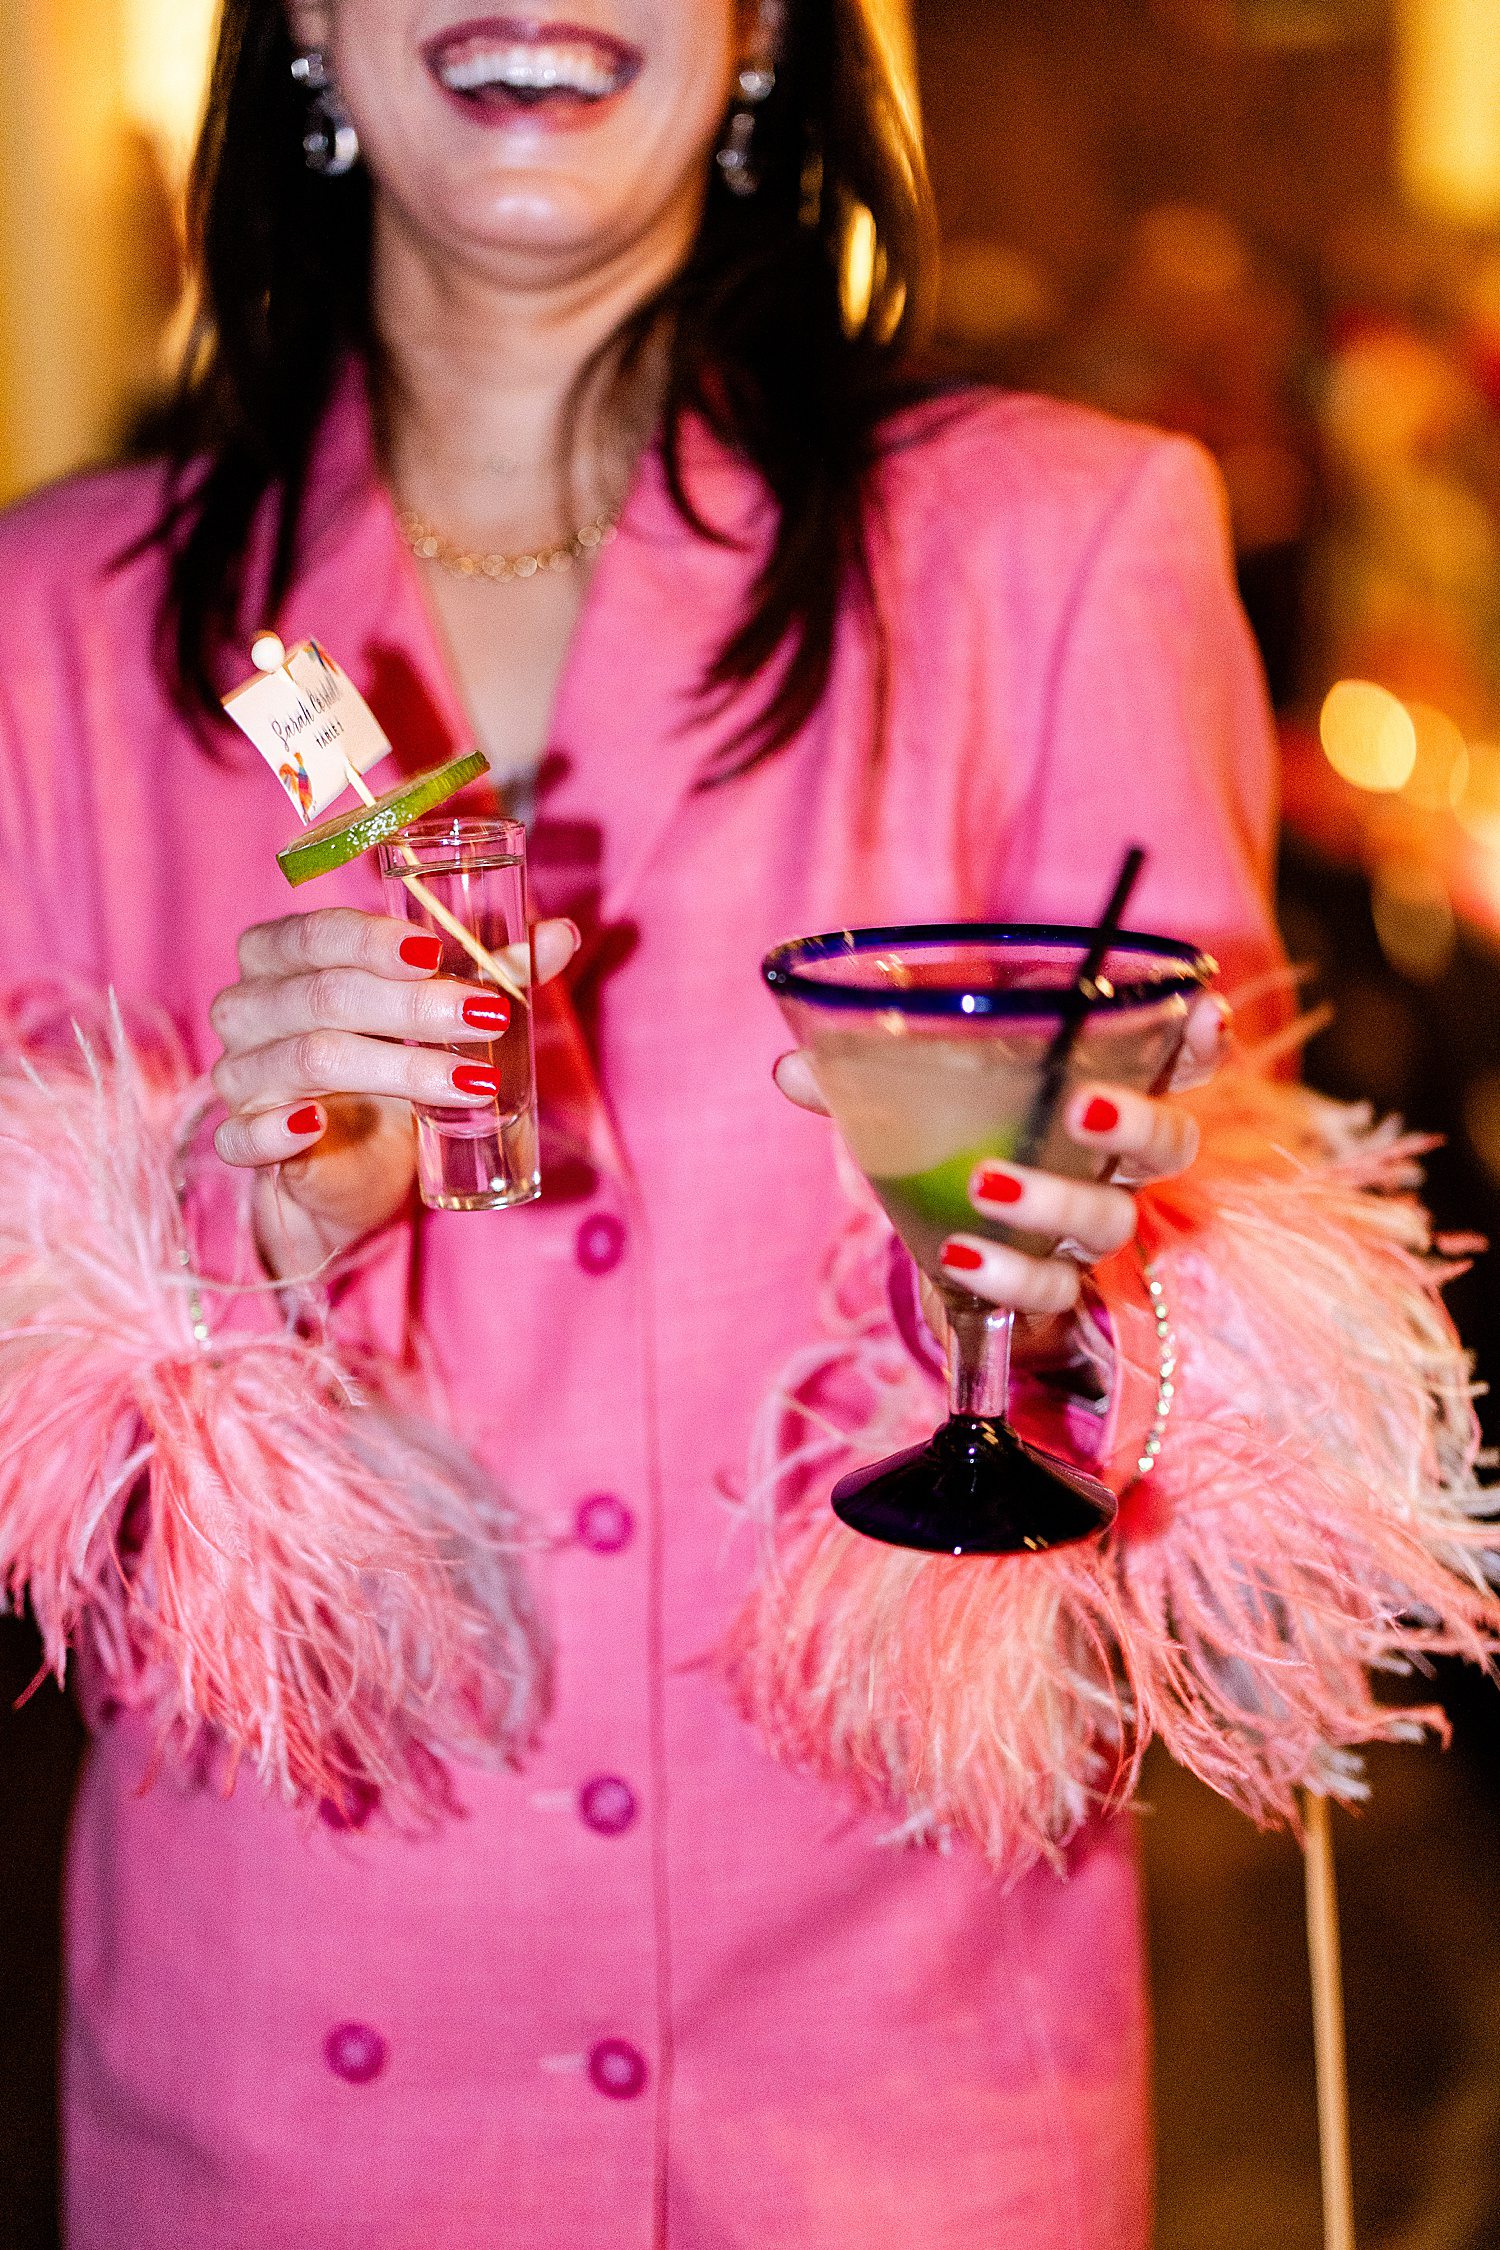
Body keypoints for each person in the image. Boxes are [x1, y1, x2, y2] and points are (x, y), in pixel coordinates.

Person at [0, 0, 1281, 2242]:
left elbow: (1268, 1411)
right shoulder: (47, 624)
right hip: (287, 2118)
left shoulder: (1066, 547)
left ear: (767, 23)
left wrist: (1102, 1288)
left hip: (900, 2120)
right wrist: (239, 1236)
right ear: (300, 15)